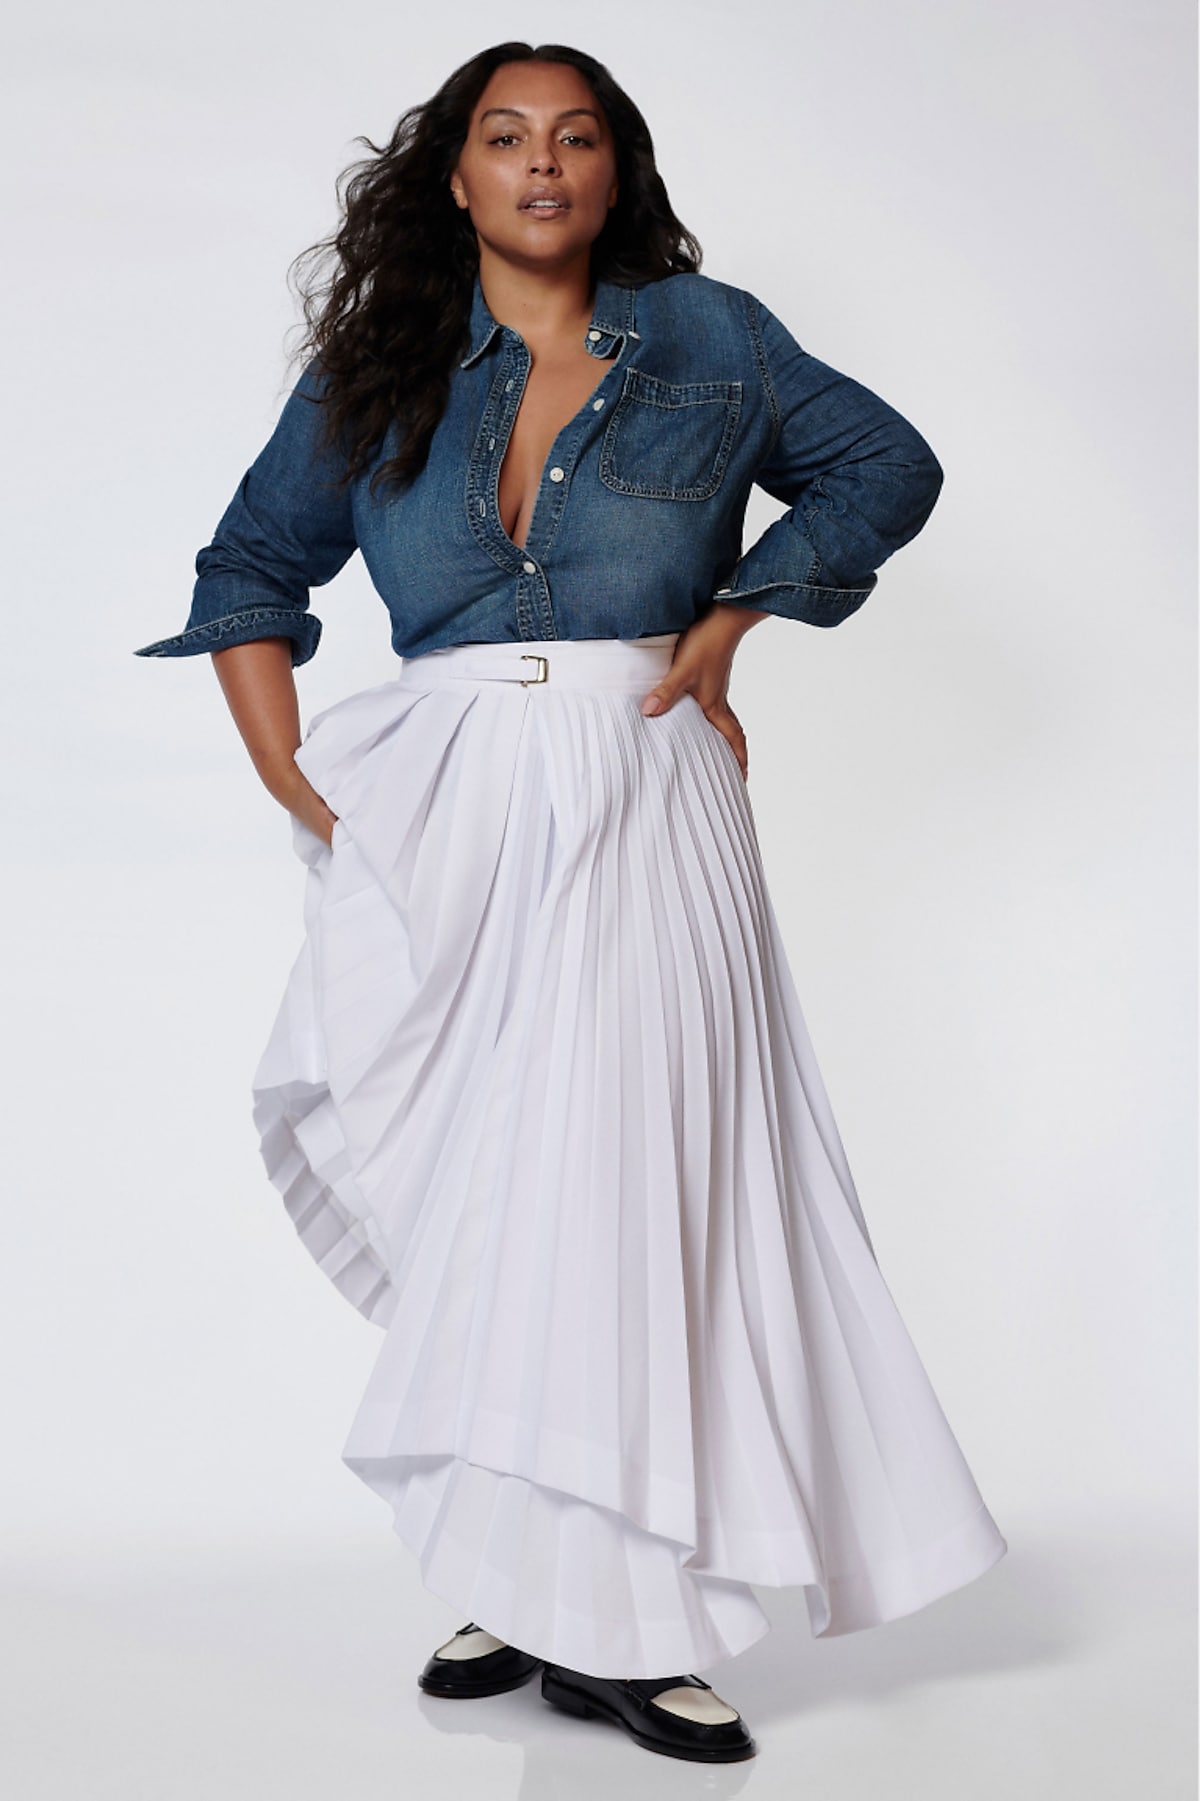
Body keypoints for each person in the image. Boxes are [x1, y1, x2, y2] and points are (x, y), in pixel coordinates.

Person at [134, 41, 1008, 1765]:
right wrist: (290, 773)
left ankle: (634, 1611)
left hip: (640, 785)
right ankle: (523, 1559)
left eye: (578, 137)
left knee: (625, 1179)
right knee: (489, 1201)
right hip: (438, 809)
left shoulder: (716, 336)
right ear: (452, 175)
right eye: (505, 138)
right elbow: (249, 568)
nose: (543, 166)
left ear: (618, 169)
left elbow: (882, 468)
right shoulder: (376, 361)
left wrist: (734, 618)